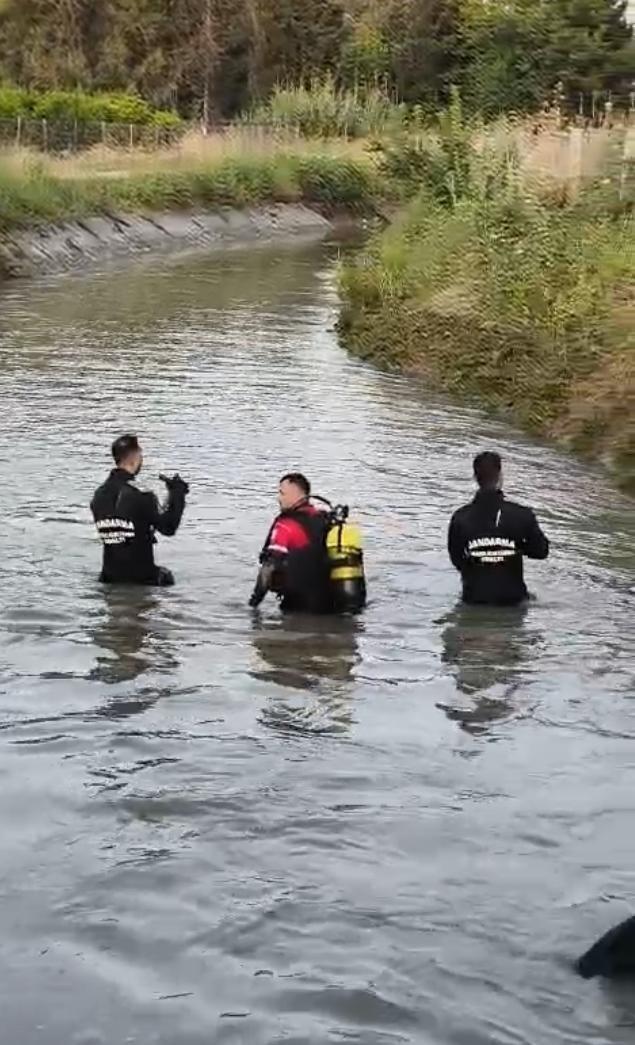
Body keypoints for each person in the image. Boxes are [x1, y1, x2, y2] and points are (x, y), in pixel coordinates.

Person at [448, 451, 549, 606]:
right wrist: (516, 546)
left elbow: (456, 560)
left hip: (474, 600)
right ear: (500, 476)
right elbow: (541, 552)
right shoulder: (522, 515)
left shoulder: (460, 517)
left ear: (475, 477)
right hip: (513, 601)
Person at [90, 434, 188, 586]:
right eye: (141, 455)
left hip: (109, 579)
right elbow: (168, 527)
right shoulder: (142, 495)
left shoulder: (98, 496)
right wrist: (177, 495)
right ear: (134, 458)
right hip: (143, 580)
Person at [250, 473, 333, 614]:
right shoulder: (324, 518)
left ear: (296, 494)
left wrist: (253, 605)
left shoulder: (286, 526)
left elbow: (268, 568)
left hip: (299, 608)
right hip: (332, 604)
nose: (278, 498)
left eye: (282, 493)